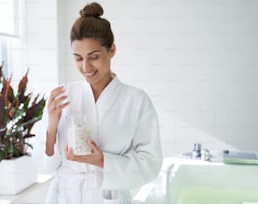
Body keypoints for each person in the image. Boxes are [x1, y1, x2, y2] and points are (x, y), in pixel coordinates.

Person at [33, 2, 162, 204]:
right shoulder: (63, 96)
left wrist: (103, 161)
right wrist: (51, 128)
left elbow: (151, 164)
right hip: (65, 196)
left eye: (94, 57)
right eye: (78, 58)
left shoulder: (136, 101)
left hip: (108, 197)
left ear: (112, 50)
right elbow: (44, 167)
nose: (86, 67)